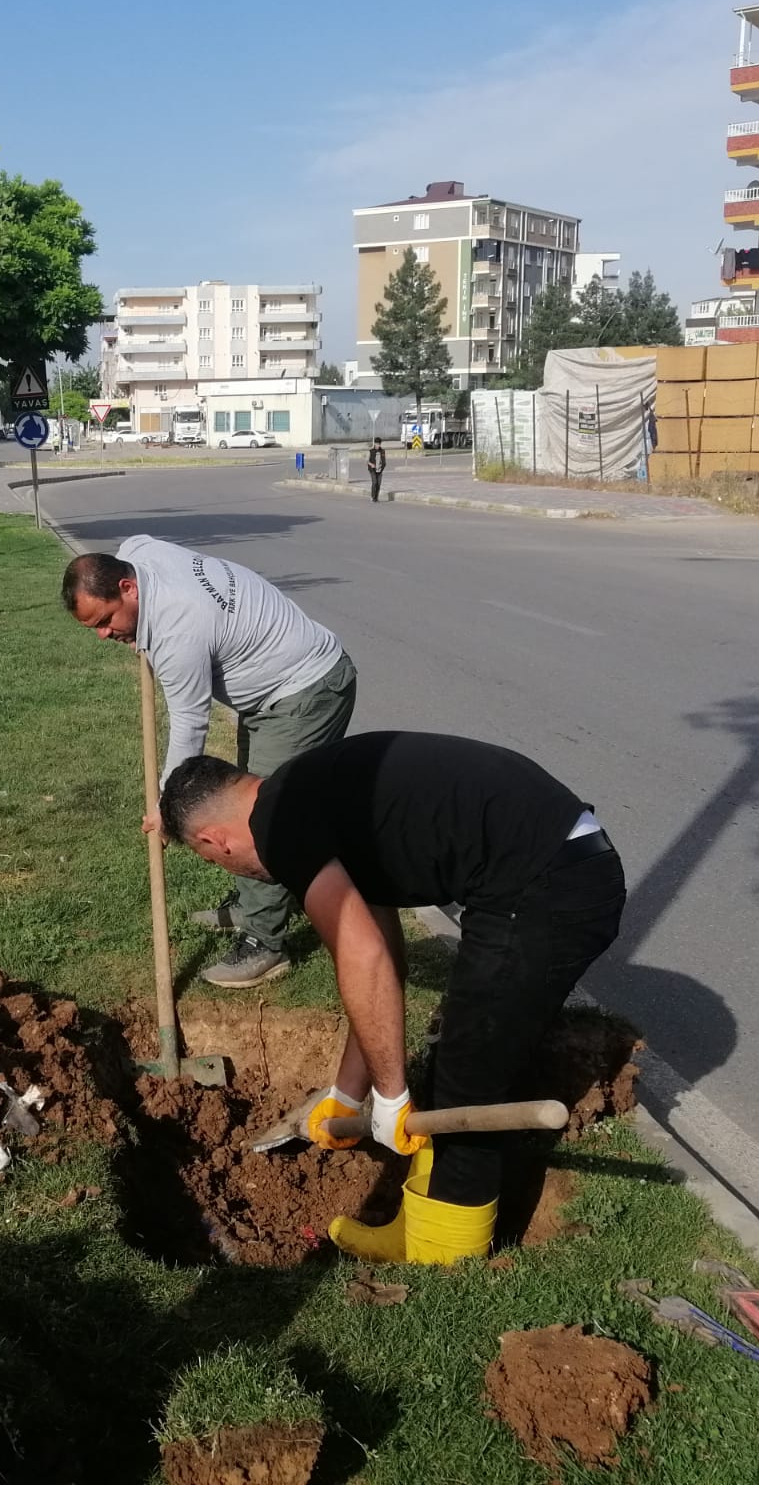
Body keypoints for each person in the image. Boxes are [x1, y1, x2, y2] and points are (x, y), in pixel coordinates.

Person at [157, 733, 624, 1265]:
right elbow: (380, 964)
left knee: (470, 1072)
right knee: (459, 1054)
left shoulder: (282, 829)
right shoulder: (310, 801)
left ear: (214, 841)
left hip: (550, 882)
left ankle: (443, 1250)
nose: (228, 867)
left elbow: (365, 957)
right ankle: (424, 1212)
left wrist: (392, 1093)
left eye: (211, 860)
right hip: (547, 866)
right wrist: (348, 1092)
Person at [62, 539, 357, 988]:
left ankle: (265, 942)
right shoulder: (138, 553)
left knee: (262, 819)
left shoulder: (178, 630)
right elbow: (136, 541)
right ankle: (253, 903)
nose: (103, 635)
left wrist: (166, 807)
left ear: (128, 588)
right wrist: (133, 631)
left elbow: (190, 727)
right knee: (254, 804)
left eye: (106, 621)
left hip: (304, 692)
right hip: (274, 691)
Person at [366, 439, 388, 503]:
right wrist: (371, 464)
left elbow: (384, 461)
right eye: (377, 444)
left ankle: (376, 497)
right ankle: (373, 497)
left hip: (380, 470)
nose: (378, 445)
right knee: (374, 482)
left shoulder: (382, 451)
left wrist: (383, 466)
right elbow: (366, 461)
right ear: (375, 444)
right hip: (372, 470)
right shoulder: (371, 451)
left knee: (378, 484)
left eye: (379, 444)